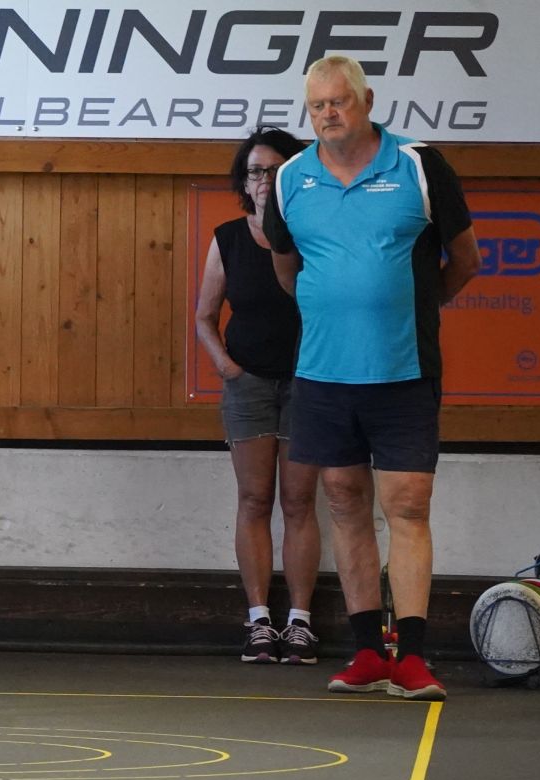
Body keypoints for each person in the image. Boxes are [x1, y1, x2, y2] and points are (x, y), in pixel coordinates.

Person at [264, 55, 480, 700]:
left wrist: (412, 307)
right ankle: (366, 654)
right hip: (323, 373)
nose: (329, 114)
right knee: (344, 503)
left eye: (340, 101)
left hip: (403, 370)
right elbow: (286, 268)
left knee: (408, 506)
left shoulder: (419, 164)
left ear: (367, 101)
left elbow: (465, 260)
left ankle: (411, 658)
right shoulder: (291, 179)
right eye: (317, 105)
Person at [194, 127, 321, 666]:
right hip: (248, 386)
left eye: (274, 170)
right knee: (253, 500)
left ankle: (300, 622)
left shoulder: (315, 234)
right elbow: (204, 317)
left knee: (299, 502)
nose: (264, 180)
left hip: (308, 385)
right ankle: (259, 621)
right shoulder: (227, 237)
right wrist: (227, 368)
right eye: (254, 172)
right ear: (243, 183)